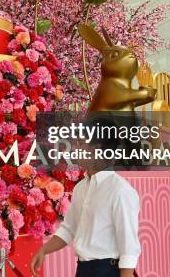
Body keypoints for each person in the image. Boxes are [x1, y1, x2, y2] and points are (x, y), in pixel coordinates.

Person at [31, 117, 141, 277]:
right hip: (83, 270)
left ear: (97, 149)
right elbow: (69, 228)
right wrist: (43, 250)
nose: (75, 148)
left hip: (108, 271)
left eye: (80, 143)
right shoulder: (81, 188)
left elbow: (128, 246)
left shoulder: (120, 191)